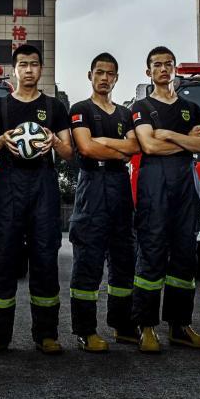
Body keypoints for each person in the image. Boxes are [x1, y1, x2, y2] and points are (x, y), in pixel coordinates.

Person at [0, 44, 73, 356]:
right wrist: (3, 141)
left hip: (43, 186)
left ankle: (46, 334)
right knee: (2, 258)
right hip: (8, 185)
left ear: (40, 69)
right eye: (23, 64)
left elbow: (70, 153)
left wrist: (54, 141)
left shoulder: (55, 107)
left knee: (45, 259)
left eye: (34, 64)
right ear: (14, 69)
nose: (28, 69)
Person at [130, 46, 200, 353]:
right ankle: (146, 326)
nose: (163, 69)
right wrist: (183, 141)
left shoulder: (192, 107)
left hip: (187, 185)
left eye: (168, 64)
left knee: (186, 256)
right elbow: (148, 146)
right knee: (151, 253)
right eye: (157, 65)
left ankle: (180, 325)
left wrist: (169, 135)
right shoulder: (141, 106)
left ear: (175, 70)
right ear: (148, 71)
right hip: (155, 185)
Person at [68, 53, 140, 352]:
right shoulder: (80, 109)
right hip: (92, 187)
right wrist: (116, 148)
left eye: (110, 73)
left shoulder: (125, 113)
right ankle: (86, 330)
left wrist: (104, 144)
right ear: (90, 75)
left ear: (116, 78)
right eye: (100, 72)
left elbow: (135, 147)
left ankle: (122, 325)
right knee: (89, 259)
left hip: (120, 186)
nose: (104, 78)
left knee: (124, 259)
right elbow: (85, 147)